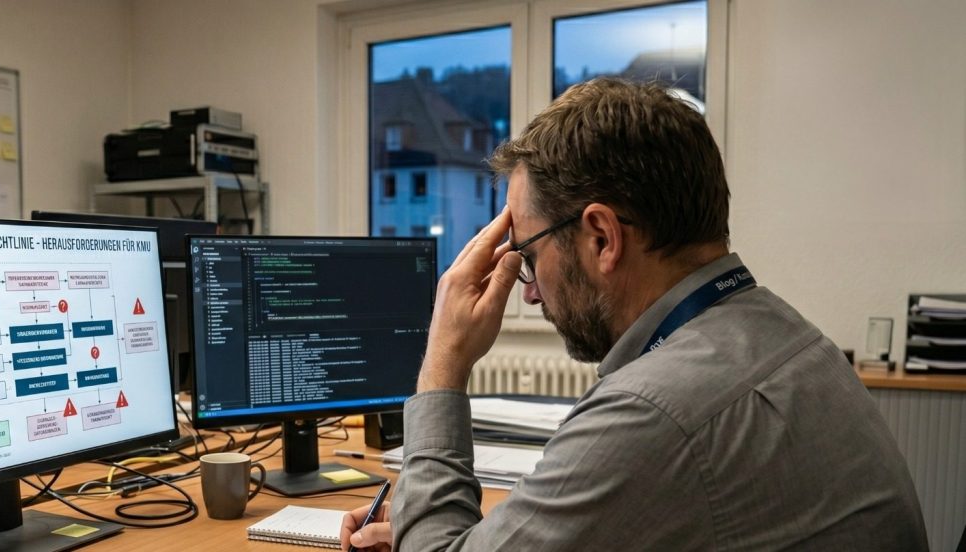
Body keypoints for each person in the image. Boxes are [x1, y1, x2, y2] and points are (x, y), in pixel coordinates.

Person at [340, 79, 927, 551]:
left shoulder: (654, 413)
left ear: (601, 237)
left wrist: (443, 363)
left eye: (529, 257)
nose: (530, 293)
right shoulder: (788, 335)